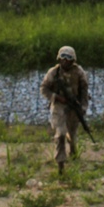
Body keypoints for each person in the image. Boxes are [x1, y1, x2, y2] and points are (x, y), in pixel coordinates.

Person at [39, 45, 90, 174]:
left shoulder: (79, 72)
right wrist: (56, 97)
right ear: (59, 58)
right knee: (60, 134)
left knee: (72, 135)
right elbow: (44, 89)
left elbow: (84, 91)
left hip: (74, 107)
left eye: (68, 58)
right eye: (63, 57)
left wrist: (83, 107)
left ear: (73, 60)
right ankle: (60, 164)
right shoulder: (53, 73)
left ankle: (73, 151)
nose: (65, 60)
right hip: (59, 107)